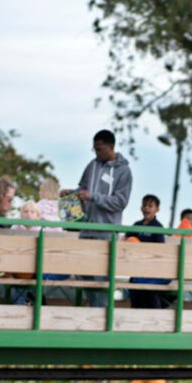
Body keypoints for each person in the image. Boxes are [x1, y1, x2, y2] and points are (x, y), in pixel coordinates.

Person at [69, 129, 133, 307]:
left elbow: (121, 201)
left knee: (102, 279)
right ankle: (93, 313)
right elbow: (82, 188)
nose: (96, 152)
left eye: (99, 149)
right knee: (84, 276)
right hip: (86, 231)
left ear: (111, 147)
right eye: (94, 149)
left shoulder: (124, 171)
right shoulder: (92, 166)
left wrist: (93, 197)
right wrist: (73, 194)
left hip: (106, 234)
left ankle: (103, 316)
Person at [126, 194, 169, 309]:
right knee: (134, 289)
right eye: (144, 205)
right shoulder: (136, 225)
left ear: (157, 209)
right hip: (136, 268)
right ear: (141, 208)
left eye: (150, 206)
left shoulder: (158, 227)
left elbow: (160, 249)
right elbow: (126, 240)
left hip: (152, 270)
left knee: (149, 292)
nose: (147, 208)